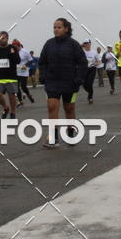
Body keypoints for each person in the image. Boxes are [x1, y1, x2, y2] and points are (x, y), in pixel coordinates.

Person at [39, 18, 87, 149]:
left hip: (70, 83)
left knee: (69, 109)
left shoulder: (74, 45)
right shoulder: (49, 44)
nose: (56, 29)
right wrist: (43, 76)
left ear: (66, 29)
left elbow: (82, 63)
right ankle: (53, 138)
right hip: (52, 82)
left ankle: (70, 134)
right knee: (52, 107)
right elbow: (42, 62)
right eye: (54, 27)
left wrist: (78, 79)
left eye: (59, 27)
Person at [0, 31, 20, 119]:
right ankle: (5, 107)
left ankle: (13, 113)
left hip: (11, 76)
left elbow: (18, 61)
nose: (1, 39)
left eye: (3, 38)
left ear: (7, 39)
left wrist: (13, 53)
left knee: (11, 96)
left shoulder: (12, 48)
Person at [13, 39, 35, 105]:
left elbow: (31, 61)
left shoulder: (25, 52)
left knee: (23, 86)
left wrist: (25, 65)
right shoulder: (12, 52)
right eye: (14, 47)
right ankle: (20, 101)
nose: (15, 48)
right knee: (16, 87)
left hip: (24, 71)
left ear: (19, 46)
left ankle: (29, 95)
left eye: (16, 47)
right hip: (16, 71)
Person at [81, 40, 99, 104]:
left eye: (88, 43)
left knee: (89, 83)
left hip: (92, 69)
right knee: (84, 84)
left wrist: (96, 63)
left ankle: (90, 97)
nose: (87, 45)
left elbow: (98, 61)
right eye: (85, 43)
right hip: (84, 69)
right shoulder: (82, 52)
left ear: (90, 44)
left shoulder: (94, 52)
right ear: (84, 44)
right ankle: (90, 92)